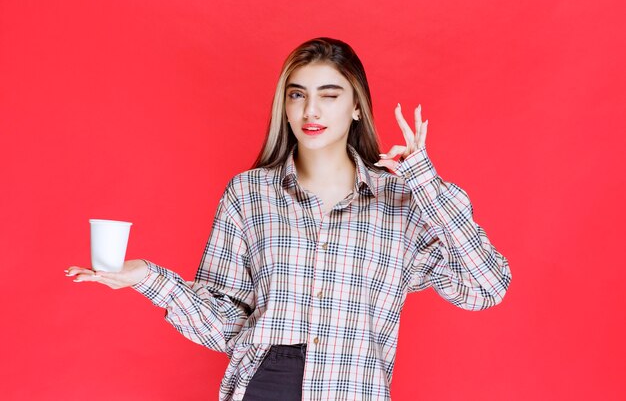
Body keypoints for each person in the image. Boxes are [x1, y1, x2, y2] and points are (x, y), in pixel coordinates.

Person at [66, 37, 511, 401]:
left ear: (356, 107)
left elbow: (486, 288)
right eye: (297, 95)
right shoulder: (248, 194)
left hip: (350, 388)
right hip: (262, 387)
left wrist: (425, 182)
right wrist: (148, 278)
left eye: (328, 95)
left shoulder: (400, 202)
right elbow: (228, 327)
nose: (310, 111)